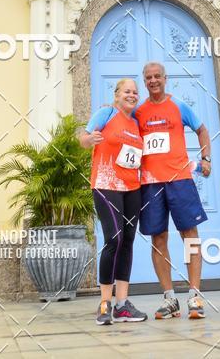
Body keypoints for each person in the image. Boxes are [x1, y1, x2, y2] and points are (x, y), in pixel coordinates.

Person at [135, 62, 211, 320]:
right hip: (150, 184)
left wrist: (206, 159)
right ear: (144, 82)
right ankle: (169, 299)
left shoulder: (178, 105)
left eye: (157, 76)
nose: (153, 80)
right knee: (158, 240)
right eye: (148, 78)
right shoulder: (139, 112)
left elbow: (202, 130)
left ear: (165, 79)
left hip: (180, 181)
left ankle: (195, 296)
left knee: (190, 237)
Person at [79, 79, 147, 326]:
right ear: (117, 95)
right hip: (106, 185)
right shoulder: (106, 113)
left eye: (135, 92)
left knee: (127, 241)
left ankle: (122, 305)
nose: (132, 95)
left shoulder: (137, 123)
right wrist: (90, 140)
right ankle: (105, 302)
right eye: (127, 91)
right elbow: (83, 138)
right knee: (114, 239)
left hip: (132, 188)